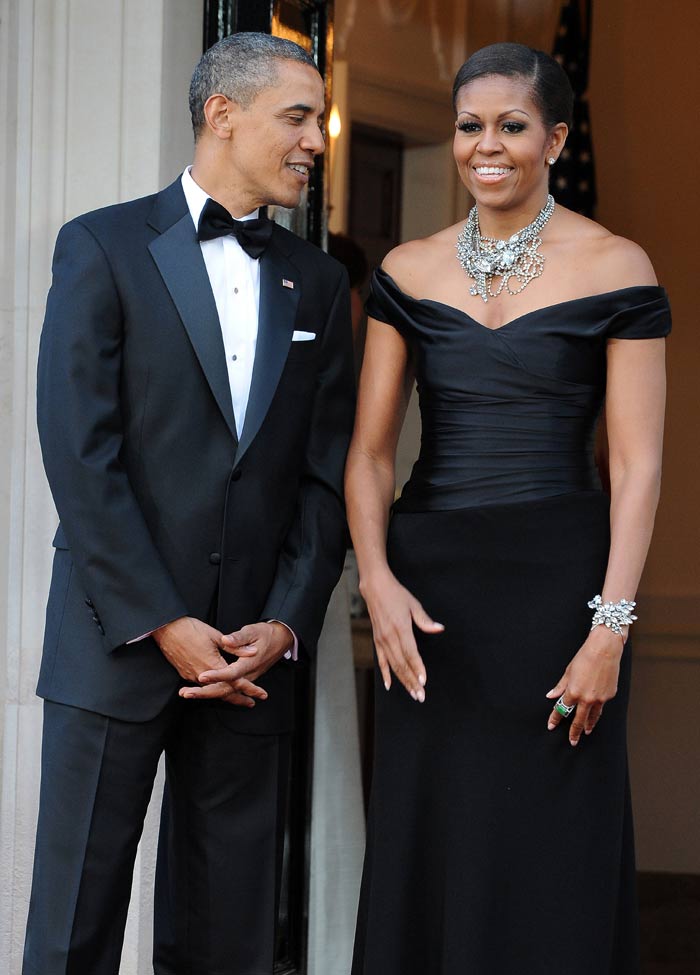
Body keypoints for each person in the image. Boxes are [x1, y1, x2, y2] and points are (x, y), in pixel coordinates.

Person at [24, 31, 355, 975]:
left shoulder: (323, 285)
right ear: (223, 114)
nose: (315, 141)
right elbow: (80, 455)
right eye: (296, 117)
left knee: (228, 940)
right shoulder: (101, 244)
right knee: (72, 928)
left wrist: (284, 625)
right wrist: (163, 619)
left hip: (250, 662)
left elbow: (322, 480)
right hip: (114, 641)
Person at [346, 41, 669, 975]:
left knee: (551, 847)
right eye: (469, 126)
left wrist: (610, 626)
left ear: (556, 138)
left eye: (512, 126)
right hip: (431, 597)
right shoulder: (408, 269)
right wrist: (377, 580)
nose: (487, 146)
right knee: (432, 837)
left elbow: (640, 466)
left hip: (564, 590)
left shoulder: (618, 265)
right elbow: (366, 455)